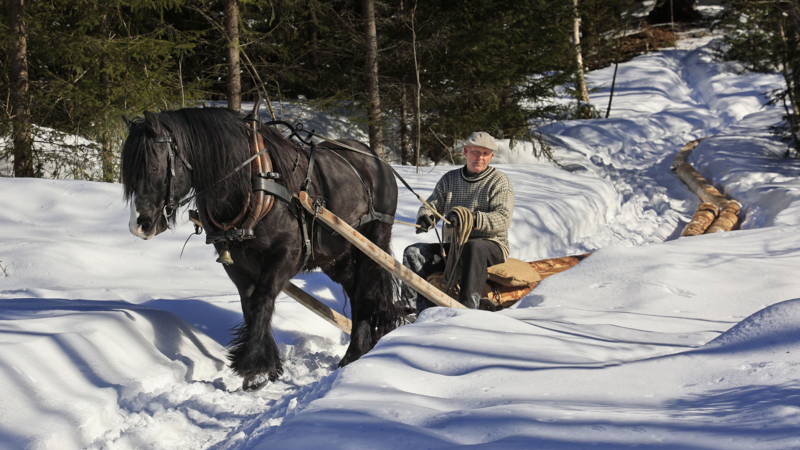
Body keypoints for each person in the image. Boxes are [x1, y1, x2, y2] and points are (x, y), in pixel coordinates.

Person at [402, 131, 514, 311]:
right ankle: (411, 310)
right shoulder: (450, 179)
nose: (480, 157)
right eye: (476, 152)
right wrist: (426, 216)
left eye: (485, 153)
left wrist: (470, 219)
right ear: (466, 152)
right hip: (455, 247)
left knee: (473, 246)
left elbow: (503, 218)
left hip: (491, 246)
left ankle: (467, 309)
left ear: (491, 156)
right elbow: (433, 204)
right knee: (414, 252)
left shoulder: (499, 181)